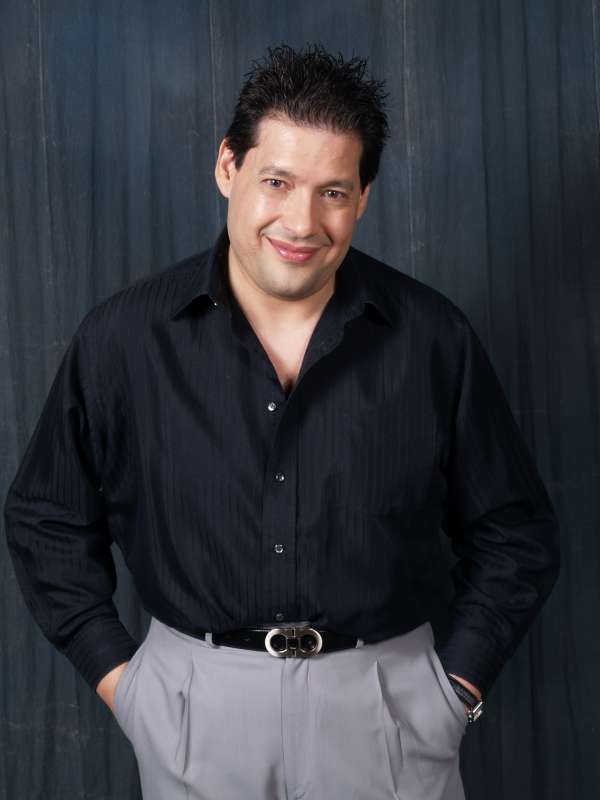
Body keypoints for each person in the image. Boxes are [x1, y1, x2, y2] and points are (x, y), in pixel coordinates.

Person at [4, 42, 560, 800]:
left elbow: (515, 532)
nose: (302, 221)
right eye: (277, 181)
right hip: (192, 707)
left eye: (333, 192)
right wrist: (124, 685)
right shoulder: (124, 338)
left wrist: (451, 691)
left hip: (389, 709)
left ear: (363, 197)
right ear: (227, 167)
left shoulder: (434, 338)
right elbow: (46, 519)